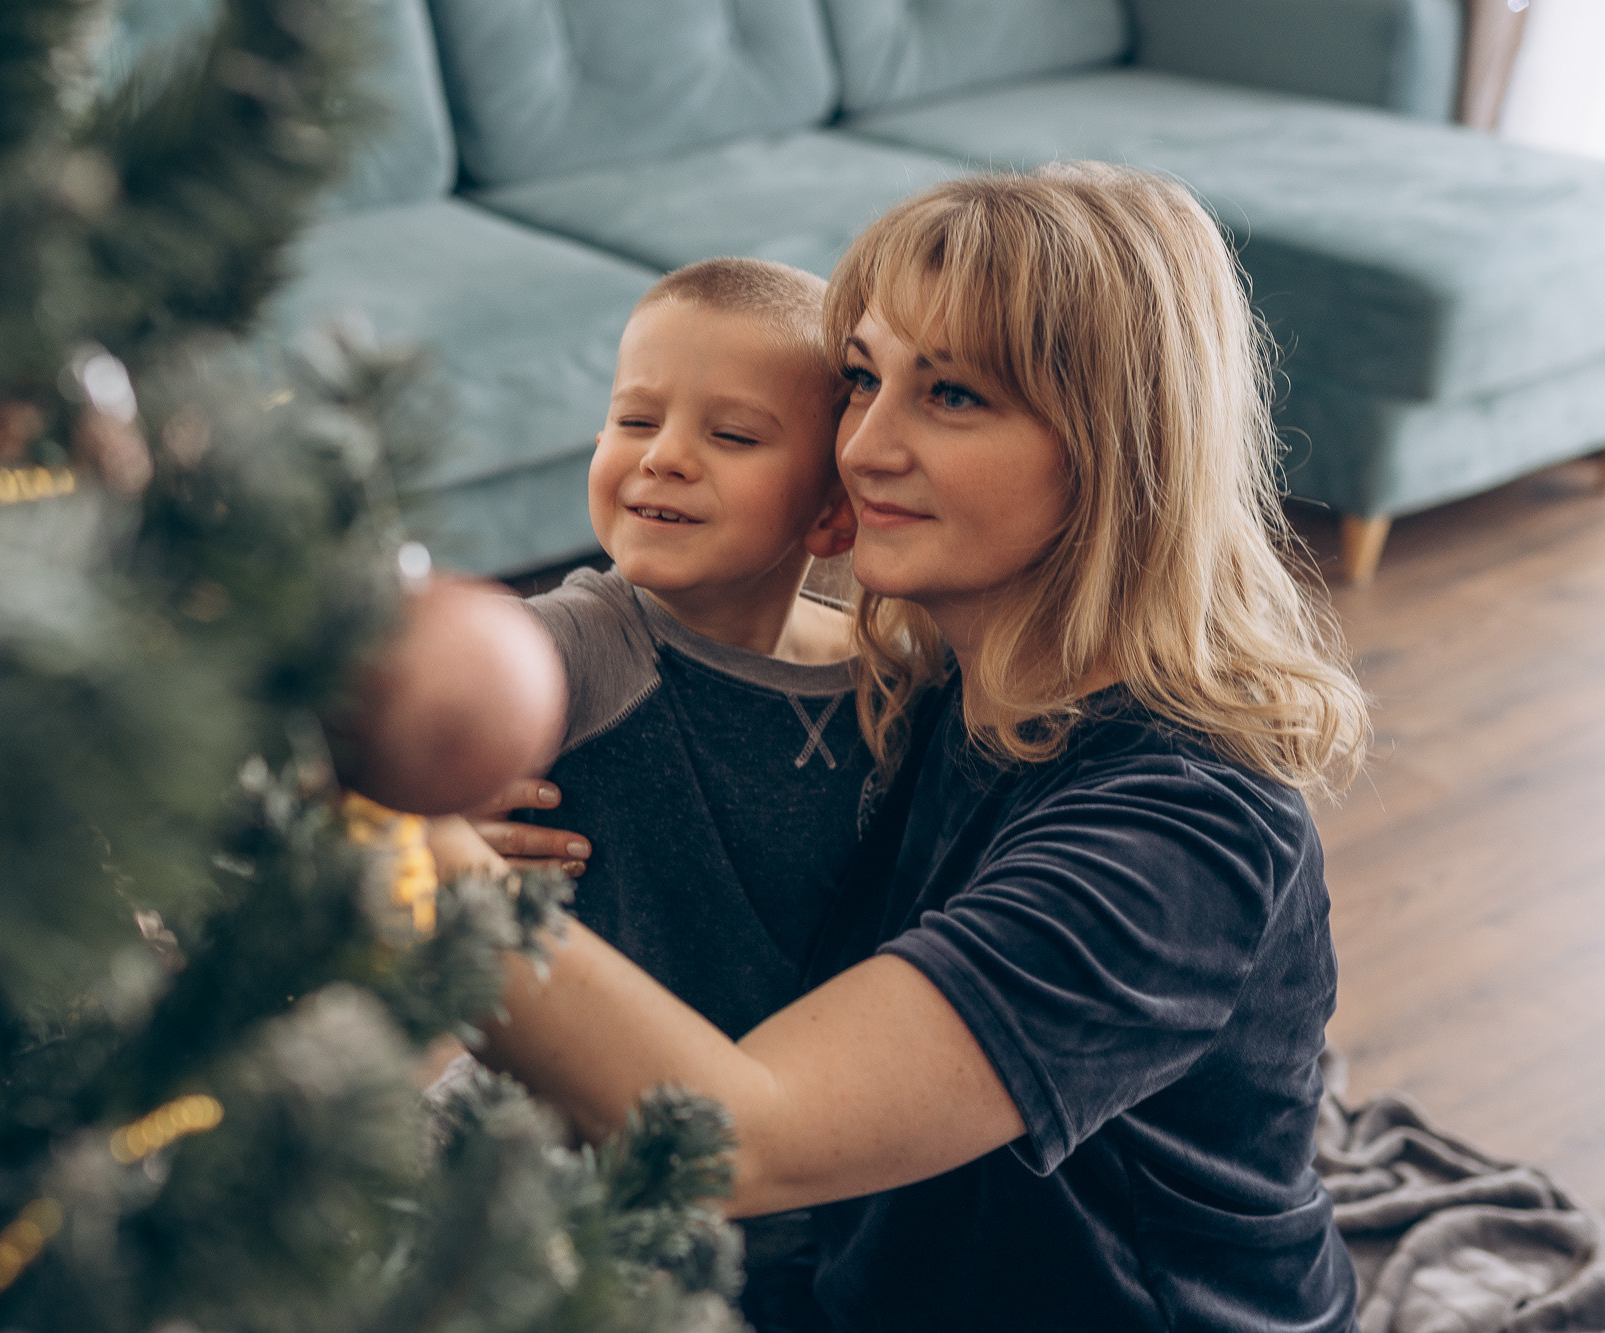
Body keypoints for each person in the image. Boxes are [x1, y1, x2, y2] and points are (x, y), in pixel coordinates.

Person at [434, 163, 1372, 1330]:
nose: (862, 446)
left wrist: (415, 866)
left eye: (954, 397)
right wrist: (476, 788)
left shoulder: (1181, 837)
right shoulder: (924, 679)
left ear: (1115, 447)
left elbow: (738, 1133)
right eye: (863, 380)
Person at [464, 257, 868, 1331]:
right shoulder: (585, 641)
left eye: (730, 437)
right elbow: (406, 692)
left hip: (808, 1180)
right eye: (632, 418)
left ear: (832, 513)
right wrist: (428, 814)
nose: (663, 458)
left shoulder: (892, 677)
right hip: (586, 1185)